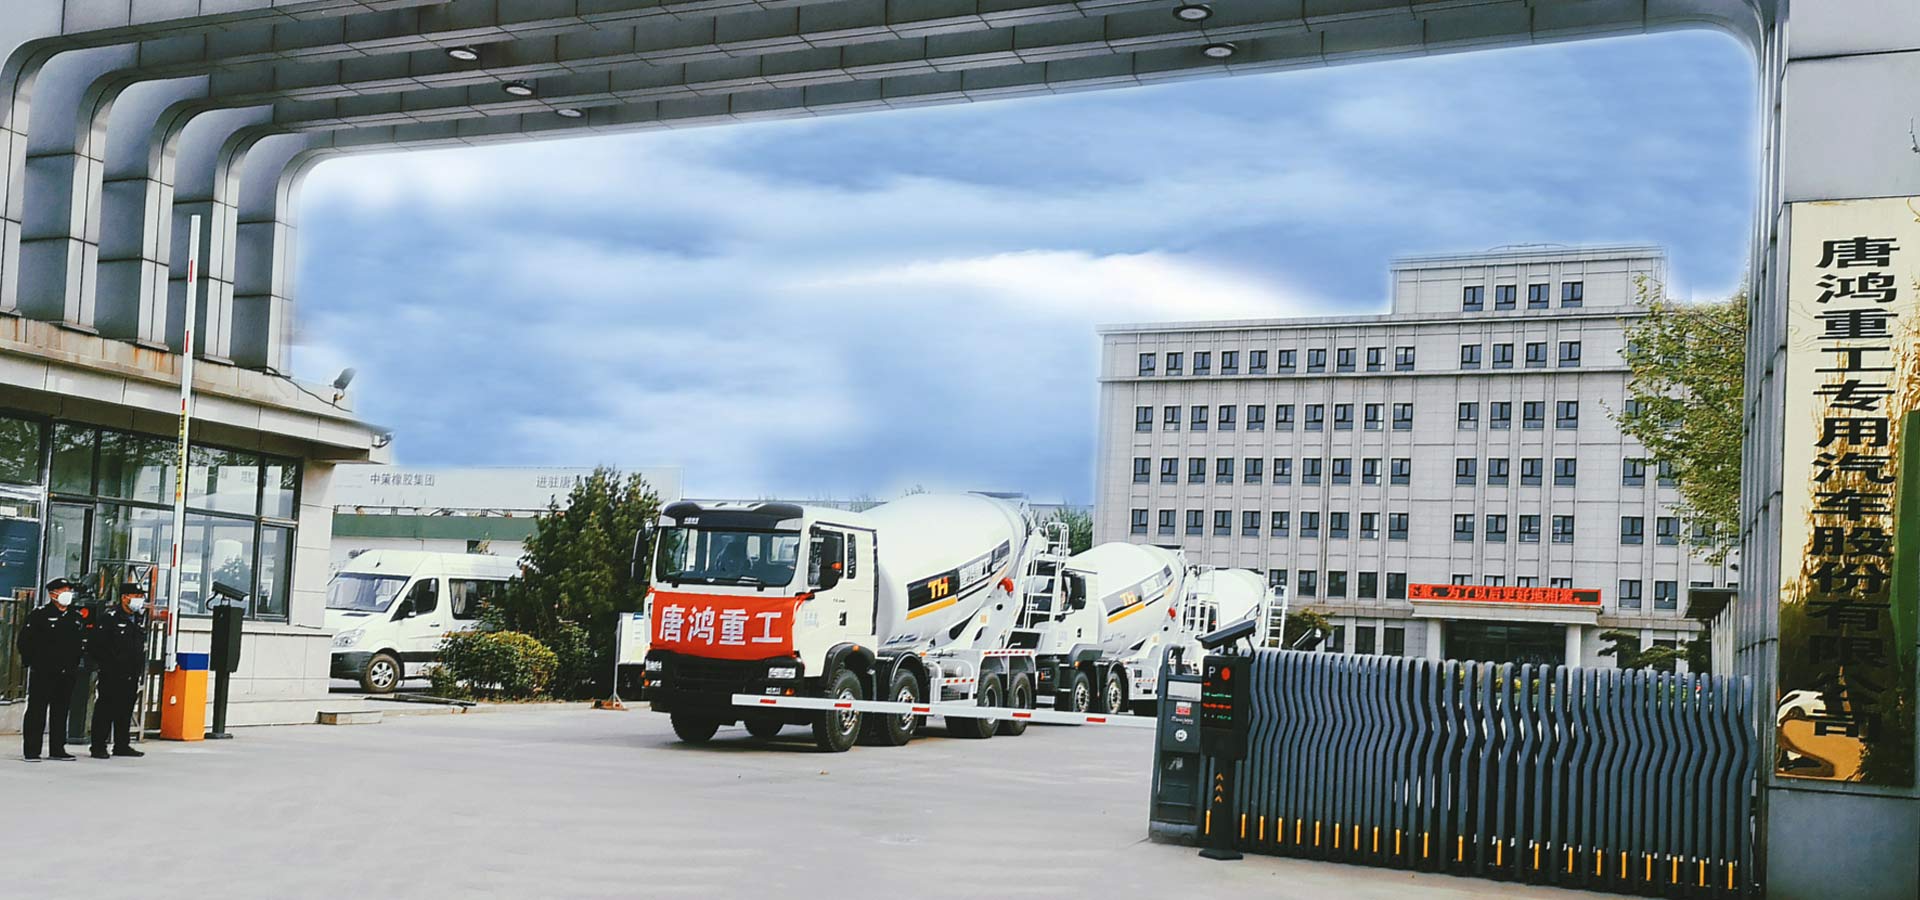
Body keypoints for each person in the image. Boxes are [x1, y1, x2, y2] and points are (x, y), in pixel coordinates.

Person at [16, 578, 86, 762]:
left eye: (69, 590)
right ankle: (32, 750)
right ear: (52, 594)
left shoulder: (75, 617)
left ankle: (57, 748)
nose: (67, 594)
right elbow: (25, 642)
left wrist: (74, 664)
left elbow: (80, 644)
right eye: (63, 590)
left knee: (61, 711)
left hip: (67, 672)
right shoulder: (40, 615)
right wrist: (34, 663)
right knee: (37, 710)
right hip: (44, 672)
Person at [87, 583, 148, 759]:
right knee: (105, 709)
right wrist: (108, 664)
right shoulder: (110, 618)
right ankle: (98, 746)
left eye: (140, 596)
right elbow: (96, 645)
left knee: (125, 709)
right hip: (112, 672)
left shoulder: (138, 618)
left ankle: (122, 745)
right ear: (124, 597)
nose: (139, 599)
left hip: (131, 673)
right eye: (135, 596)